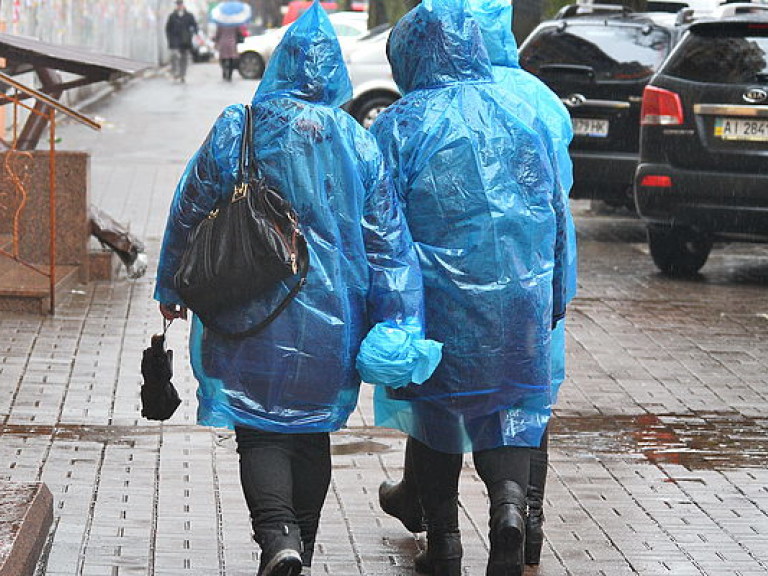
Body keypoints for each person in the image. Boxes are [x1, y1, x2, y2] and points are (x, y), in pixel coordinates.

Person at [154, 4, 435, 575]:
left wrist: (170, 284)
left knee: (259, 434)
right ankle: (298, 544)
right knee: (311, 434)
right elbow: (388, 243)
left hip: (245, 311)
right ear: (335, 72)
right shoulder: (357, 141)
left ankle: (278, 536)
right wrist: (400, 317)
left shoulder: (240, 125)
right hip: (333, 321)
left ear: (277, 64)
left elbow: (190, 205)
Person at [376, 0, 578, 569]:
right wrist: (554, 298)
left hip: (437, 304)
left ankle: (443, 543)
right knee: (510, 411)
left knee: (437, 418)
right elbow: (556, 215)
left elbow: (381, 229)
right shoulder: (523, 112)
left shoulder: (401, 124)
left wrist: (384, 310)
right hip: (520, 299)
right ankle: (510, 509)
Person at [165, 0, 198, 83]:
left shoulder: (189, 15)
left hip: (185, 40)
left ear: (183, 5)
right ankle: (175, 72)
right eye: (178, 4)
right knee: (174, 55)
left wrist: (192, 33)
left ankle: (182, 74)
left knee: (184, 57)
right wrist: (169, 38)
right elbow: (168, 28)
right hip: (175, 40)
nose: (179, 6)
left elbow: (195, 26)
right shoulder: (172, 16)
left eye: (180, 4)